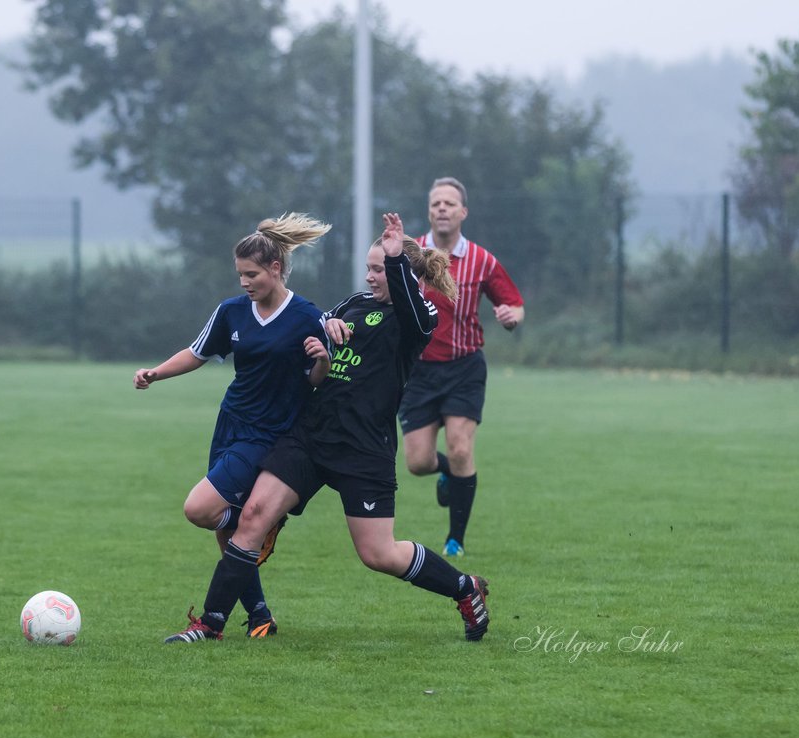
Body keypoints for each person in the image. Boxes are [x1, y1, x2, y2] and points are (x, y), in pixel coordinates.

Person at [164, 213, 491, 644]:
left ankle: (464, 589)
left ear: (404, 273)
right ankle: (210, 624)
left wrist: (396, 259)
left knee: (378, 554)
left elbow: (411, 308)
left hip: (363, 448)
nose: (371, 276)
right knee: (255, 518)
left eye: (380, 269)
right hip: (311, 436)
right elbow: (317, 346)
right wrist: (326, 338)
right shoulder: (354, 305)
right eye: (370, 268)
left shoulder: (420, 315)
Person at [135, 214, 332, 639]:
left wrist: (322, 360)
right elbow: (198, 351)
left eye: (253, 274)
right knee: (231, 530)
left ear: (276, 268)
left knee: (200, 509)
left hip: (269, 435)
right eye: (240, 274)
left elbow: (316, 382)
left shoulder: (306, 316)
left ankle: (261, 524)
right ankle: (259, 614)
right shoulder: (232, 312)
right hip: (231, 424)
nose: (245, 282)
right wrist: (157, 373)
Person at [400, 177, 524, 558]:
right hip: (417, 370)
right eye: (436, 202)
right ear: (429, 211)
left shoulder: (482, 260)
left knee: (459, 448)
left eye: (449, 203)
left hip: (464, 368)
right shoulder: (409, 254)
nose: (441, 208)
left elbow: (515, 305)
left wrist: (510, 317)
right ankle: (445, 473)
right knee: (418, 462)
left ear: (463, 212)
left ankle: (455, 539)